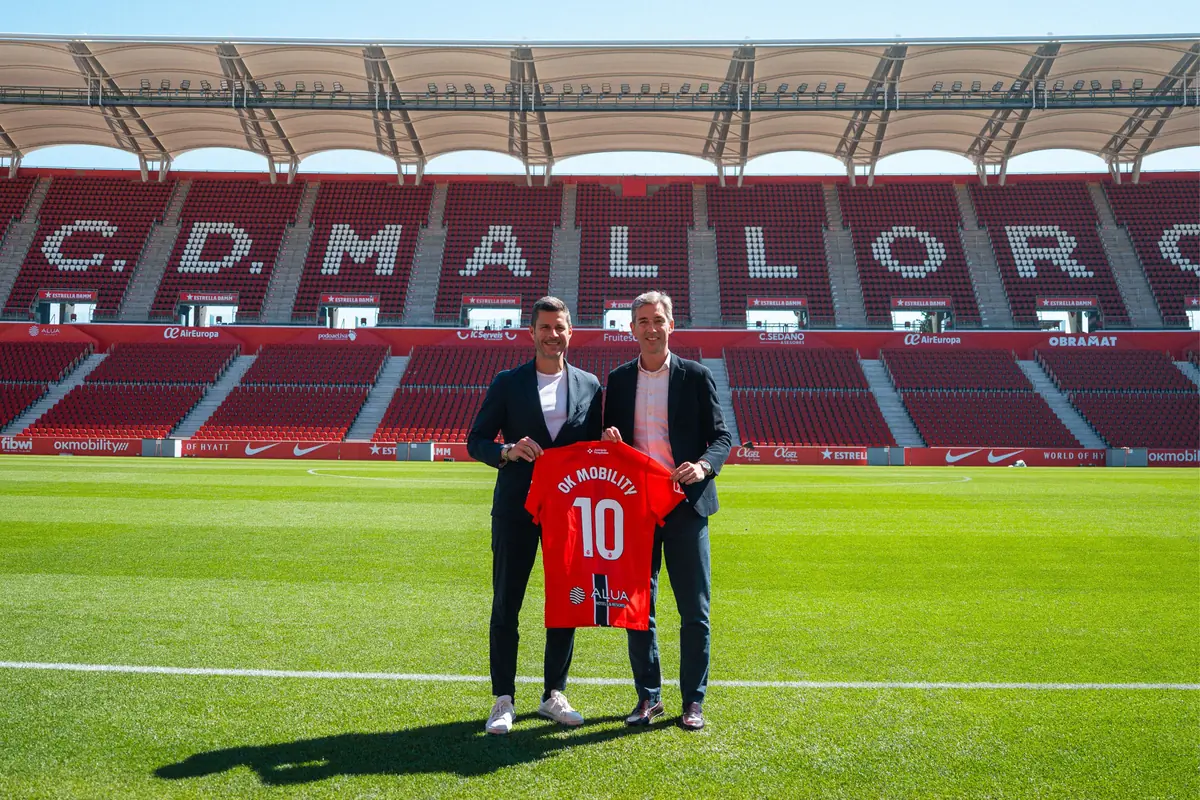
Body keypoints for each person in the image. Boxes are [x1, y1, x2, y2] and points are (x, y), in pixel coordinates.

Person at [467, 296, 604, 735]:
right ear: (532, 333)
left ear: (570, 332)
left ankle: (553, 694)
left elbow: (599, 442)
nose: (552, 335)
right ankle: (503, 698)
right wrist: (505, 450)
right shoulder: (508, 382)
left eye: (560, 327)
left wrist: (610, 437)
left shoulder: (589, 385)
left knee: (567, 601)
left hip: (569, 513)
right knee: (507, 600)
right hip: (515, 508)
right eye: (544, 327)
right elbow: (477, 440)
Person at [601, 290, 732, 731]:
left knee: (694, 609)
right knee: (638, 607)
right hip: (636, 509)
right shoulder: (618, 380)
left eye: (658, 320)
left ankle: (693, 701)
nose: (651, 328)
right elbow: (609, 444)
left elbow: (721, 438)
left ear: (671, 324)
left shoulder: (696, 376)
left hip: (686, 507)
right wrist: (610, 443)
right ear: (632, 329)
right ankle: (648, 698)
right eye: (643, 321)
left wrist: (702, 466)